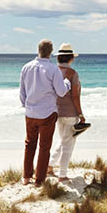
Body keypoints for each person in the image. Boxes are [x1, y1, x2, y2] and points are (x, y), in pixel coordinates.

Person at [19, 39, 71, 186]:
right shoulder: (53, 69)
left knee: (29, 144)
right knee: (44, 147)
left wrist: (27, 106)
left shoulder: (26, 67)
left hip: (30, 113)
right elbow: (61, 92)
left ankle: (26, 177)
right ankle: (39, 180)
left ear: (38, 50)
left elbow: (22, 93)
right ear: (51, 52)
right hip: (47, 113)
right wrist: (67, 83)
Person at [47, 42, 89, 182]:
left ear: (59, 58)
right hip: (70, 113)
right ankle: (63, 175)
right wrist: (81, 114)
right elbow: (75, 96)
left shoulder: (53, 72)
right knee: (68, 144)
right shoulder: (73, 74)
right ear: (71, 58)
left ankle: (49, 166)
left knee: (64, 139)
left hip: (56, 112)